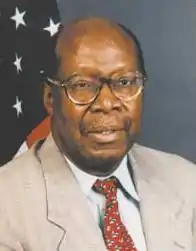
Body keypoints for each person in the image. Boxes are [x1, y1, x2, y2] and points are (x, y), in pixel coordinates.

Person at [0, 17, 196, 251]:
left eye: (124, 82)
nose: (106, 103)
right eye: (82, 85)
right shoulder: (7, 207)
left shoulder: (186, 181)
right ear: (50, 99)